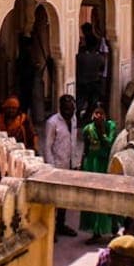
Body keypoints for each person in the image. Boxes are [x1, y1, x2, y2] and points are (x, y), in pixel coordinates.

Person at [42, 95, 81, 237]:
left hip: (69, 164)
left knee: (65, 197)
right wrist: (51, 168)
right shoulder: (52, 123)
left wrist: (76, 162)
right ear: (60, 108)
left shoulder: (74, 120)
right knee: (54, 199)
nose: (68, 113)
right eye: (66, 110)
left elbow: (73, 142)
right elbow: (47, 146)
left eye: (71, 109)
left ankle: (61, 225)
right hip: (57, 166)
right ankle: (51, 228)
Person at [79, 104, 118, 244]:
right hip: (92, 164)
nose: (98, 116)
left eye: (101, 113)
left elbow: (109, 144)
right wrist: (82, 165)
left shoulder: (111, 126)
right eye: (96, 113)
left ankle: (114, 228)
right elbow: (85, 148)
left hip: (106, 165)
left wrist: (102, 132)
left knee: (108, 196)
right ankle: (96, 231)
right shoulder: (88, 129)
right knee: (93, 197)